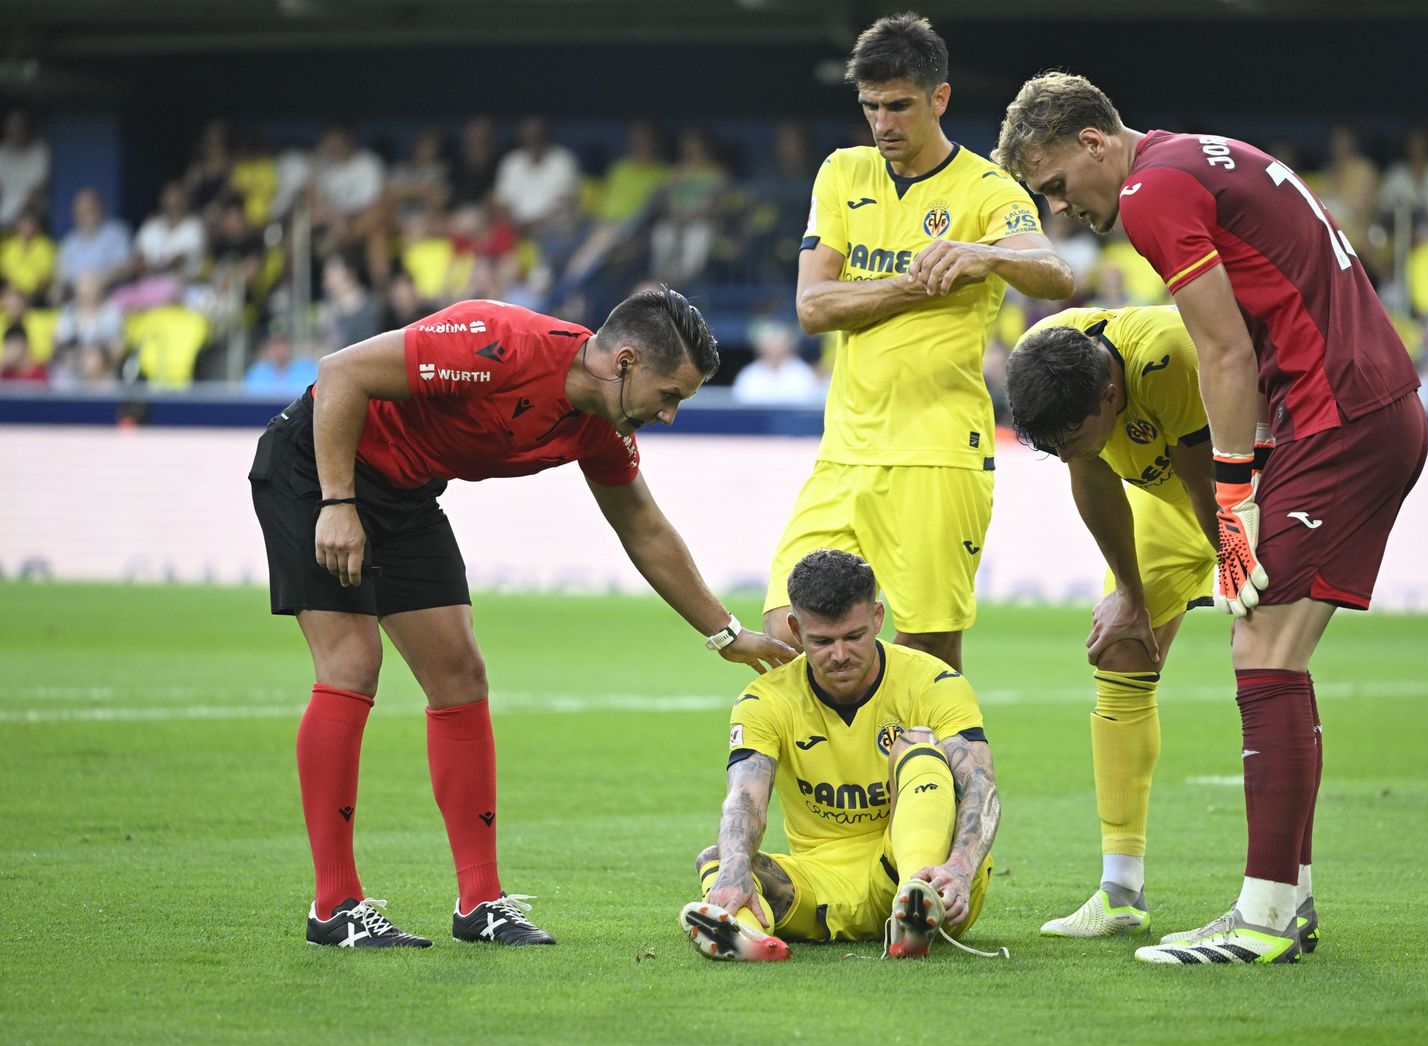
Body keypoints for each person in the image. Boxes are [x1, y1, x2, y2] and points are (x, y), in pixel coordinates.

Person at [994, 72, 1428, 964]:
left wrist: (1233, 511)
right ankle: (1285, 902)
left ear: (1091, 142)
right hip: (1360, 403)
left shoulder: (1153, 192)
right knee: (1273, 651)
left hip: (1335, 413)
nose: (1059, 207)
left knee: (1261, 651)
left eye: (1052, 185)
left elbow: (1225, 353)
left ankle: (1265, 915)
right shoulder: (1191, 160)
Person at [248, 285, 794, 950]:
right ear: (624, 363)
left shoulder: (601, 425)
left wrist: (726, 633)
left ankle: (481, 904)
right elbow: (342, 373)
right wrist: (337, 502)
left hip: (404, 491)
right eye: (670, 395)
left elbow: (644, 529)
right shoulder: (498, 345)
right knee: (354, 663)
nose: (670, 414)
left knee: (460, 674)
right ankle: (334, 905)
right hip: (318, 466)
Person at [768, 13, 1075, 673]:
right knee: (787, 630)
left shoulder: (987, 190)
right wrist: (914, 288)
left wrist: (984, 256)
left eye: (899, 106)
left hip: (939, 452)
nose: (883, 124)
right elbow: (812, 308)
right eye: (871, 107)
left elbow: (1056, 273)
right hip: (845, 452)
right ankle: (857, 767)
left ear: (939, 98)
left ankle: (941, 777)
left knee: (929, 652)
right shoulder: (844, 174)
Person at [1004, 306, 1218, 941]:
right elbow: (1091, 478)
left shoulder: (1167, 356)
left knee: (1268, 660)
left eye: (1073, 439)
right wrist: (1128, 590)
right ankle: (1120, 892)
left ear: (1111, 393)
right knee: (1122, 649)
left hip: (1253, 491)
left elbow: (1214, 483)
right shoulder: (1050, 361)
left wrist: (1239, 571)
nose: (1069, 454)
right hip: (1171, 504)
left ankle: (1277, 896)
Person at [680, 548, 1001, 962]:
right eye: (822, 641)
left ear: (878, 619)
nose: (840, 654)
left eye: (854, 636)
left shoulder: (934, 682)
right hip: (822, 887)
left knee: (917, 745)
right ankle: (749, 937)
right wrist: (735, 868)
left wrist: (959, 866)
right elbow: (745, 799)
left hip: (932, 875)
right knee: (720, 860)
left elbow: (980, 784)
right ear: (795, 629)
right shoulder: (765, 699)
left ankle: (915, 900)